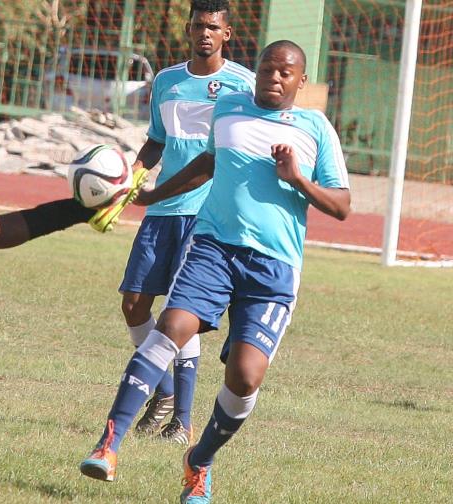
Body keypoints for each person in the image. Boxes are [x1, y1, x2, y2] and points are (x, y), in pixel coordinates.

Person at [79, 40, 350, 504]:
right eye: (267, 68)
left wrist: (298, 178)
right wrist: (151, 195)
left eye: (285, 72)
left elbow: (342, 205)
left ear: (301, 80)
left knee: (244, 377)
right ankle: (109, 444)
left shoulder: (316, 128)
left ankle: (199, 461)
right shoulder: (228, 105)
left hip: (274, 267)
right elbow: (207, 163)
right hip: (214, 247)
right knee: (170, 327)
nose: (274, 77)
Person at [121, 0, 254, 445]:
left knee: (184, 312)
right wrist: (130, 176)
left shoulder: (243, 85)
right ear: (188, 28)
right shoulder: (167, 81)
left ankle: (182, 420)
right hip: (162, 210)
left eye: (213, 28)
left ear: (226, 34)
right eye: (198, 26)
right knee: (134, 305)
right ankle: (162, 391)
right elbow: (156, 142)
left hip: (207, 214)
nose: (205, 34)